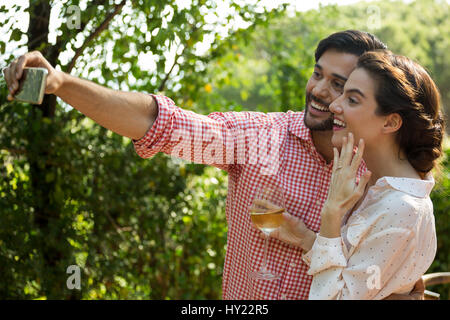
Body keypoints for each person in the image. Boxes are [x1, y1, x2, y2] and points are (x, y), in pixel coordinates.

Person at [3, 30, 424, 299]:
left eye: (341, 86)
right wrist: (61, 83)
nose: (319, 92)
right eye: (318, 74)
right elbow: (162, 124)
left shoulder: (382, 175)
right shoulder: (262, 137)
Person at [272, 50, 445, 299]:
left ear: (390, 123)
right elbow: (353, 272)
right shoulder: (377, 187)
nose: (334, 105)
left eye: (352, 100)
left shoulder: (402, 208)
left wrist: (332, 215)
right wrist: (307, 239)